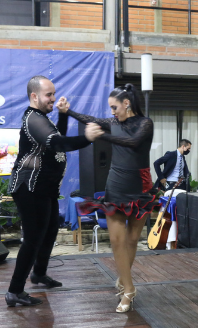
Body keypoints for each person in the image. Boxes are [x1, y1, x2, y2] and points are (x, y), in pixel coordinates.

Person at [5, 75, 104, 307]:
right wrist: (87, 138)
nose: (53, 98)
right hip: (29, 187)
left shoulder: (44, 118)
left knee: (49, 233)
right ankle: (14, 291)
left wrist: (61, 114)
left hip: (45, 189)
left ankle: (38, 274)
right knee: (32, 240)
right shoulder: (32, 119)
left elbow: (55, 140)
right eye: (49, 95)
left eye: (53, 94)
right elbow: (58, 144)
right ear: (34, 96)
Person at [59, 83, 155, 313]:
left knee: (132, 240)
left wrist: (103, 136)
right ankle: (129, 289)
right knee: (116, 241)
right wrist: (67, 112)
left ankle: (123, 281)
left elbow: (133, 142)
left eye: (114, 107)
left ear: (126, 103)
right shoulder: (112, 123)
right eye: (110, 108)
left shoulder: (145, 123)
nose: (112, 112)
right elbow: (88, 118)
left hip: (139, 185)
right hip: (116, 184)